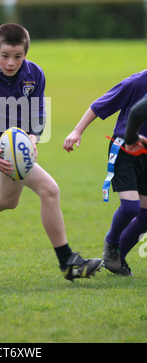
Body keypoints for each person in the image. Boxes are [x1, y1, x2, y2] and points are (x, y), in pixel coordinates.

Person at [0, 23, 102, 281]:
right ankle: (68, 262)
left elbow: (38, 112)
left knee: (7, 200)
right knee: (49, 189)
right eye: (5, 56)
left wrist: (33, 137)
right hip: (1, 149)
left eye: (18, 56)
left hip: (17, 146)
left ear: (26, 53)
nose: (11, 63)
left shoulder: (34, 74)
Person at [63, 71, 147, 276]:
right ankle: (111, 242)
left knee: (146, 216)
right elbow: (99, 105)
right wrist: (77, 131)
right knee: (130, 207)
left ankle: (116, 258)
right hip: (125, 150)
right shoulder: (135, 83)